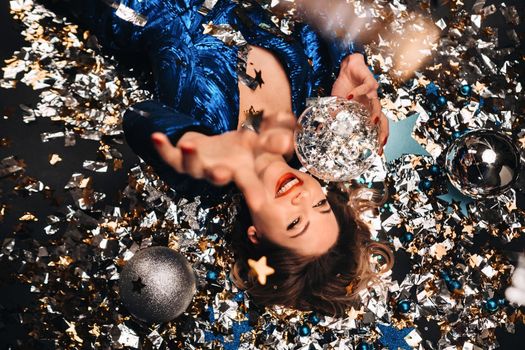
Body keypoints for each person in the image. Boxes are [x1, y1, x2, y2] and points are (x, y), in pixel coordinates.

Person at [57, 0, 393, 316]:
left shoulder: (204, 176)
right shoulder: (315, 116)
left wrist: (194, 143)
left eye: (294, 223)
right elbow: (328, 11)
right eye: (320, 206)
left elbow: (139, 119)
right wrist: (350, 60)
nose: (301, 197)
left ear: (256, 236)